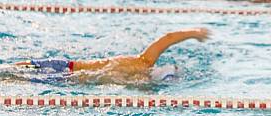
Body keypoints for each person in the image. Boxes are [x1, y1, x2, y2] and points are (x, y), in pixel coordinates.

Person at [14, 28, 209, 84]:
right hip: (68, 77)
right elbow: (168, 38)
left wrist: (195, 33)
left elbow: (168, 38)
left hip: (68, 65)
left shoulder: (142, 60)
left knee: (8, 71)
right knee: (10, 78)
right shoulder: (140, 77)